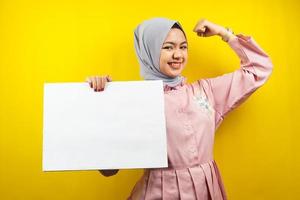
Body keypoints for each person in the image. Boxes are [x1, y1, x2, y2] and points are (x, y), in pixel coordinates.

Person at [86, 17, 273, 200]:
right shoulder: (134, 101)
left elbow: (259, 69)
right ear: (148, 51)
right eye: (168, 47)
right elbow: (108, 170)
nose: (178, 55)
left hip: (207, 190)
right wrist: (103, 102)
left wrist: (224, 33)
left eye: (183, 47)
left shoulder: (206, 91)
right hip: (158, 193)